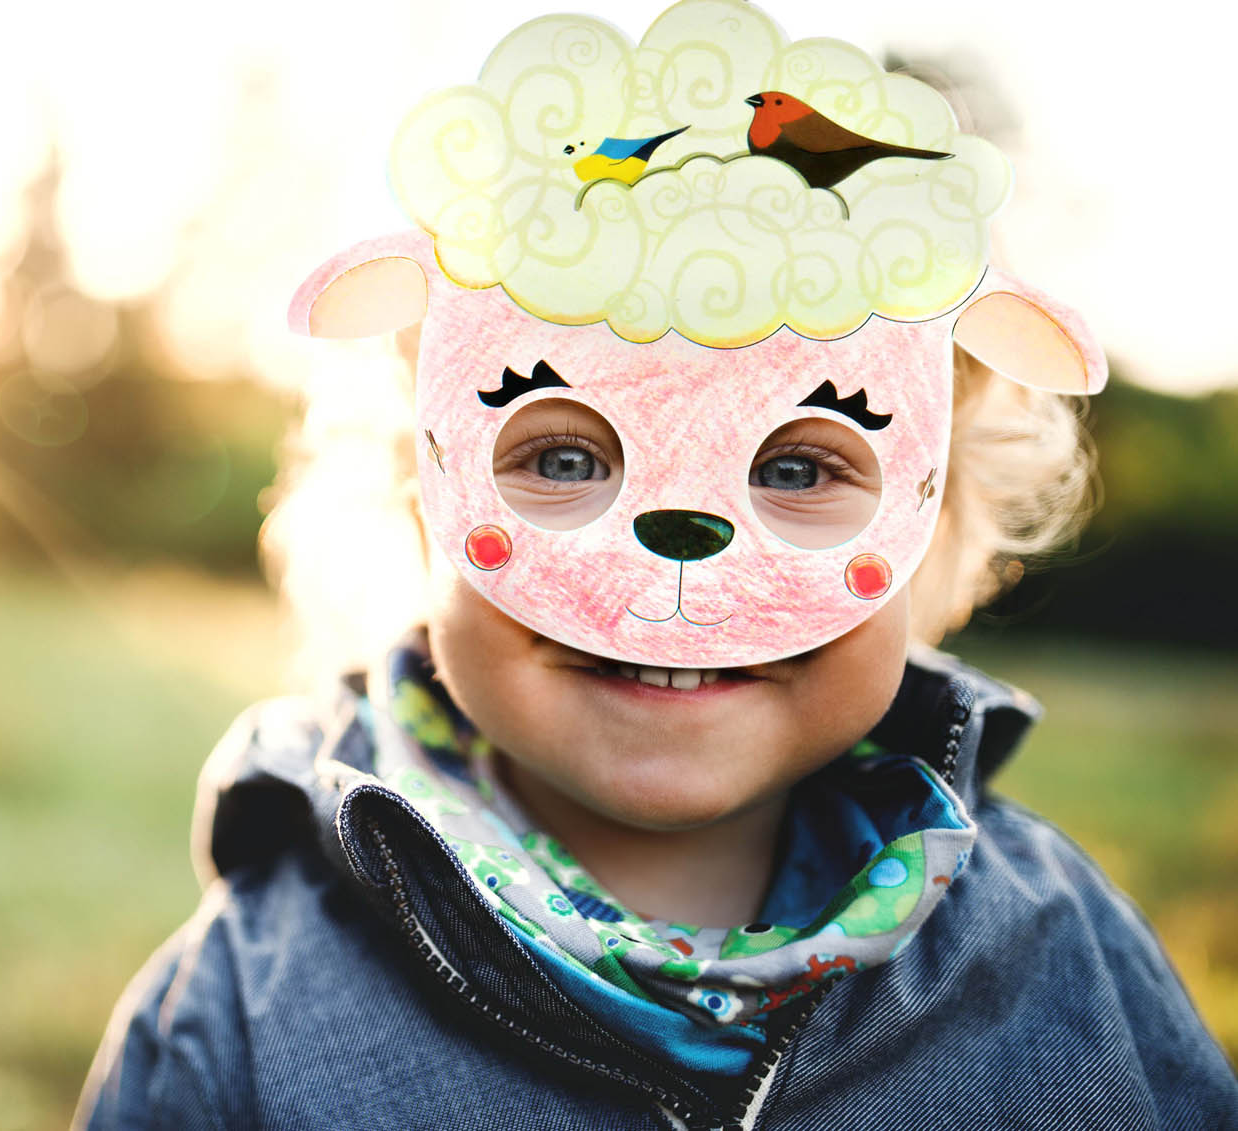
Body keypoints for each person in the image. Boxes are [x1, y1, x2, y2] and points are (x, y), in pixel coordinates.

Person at [74, 4, 1238, 1127]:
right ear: (416, 499)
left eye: (797, 470)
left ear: (937, 535)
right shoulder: (242, 1007)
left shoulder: (1066, 962)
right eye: (561, 454)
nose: (679, 543)